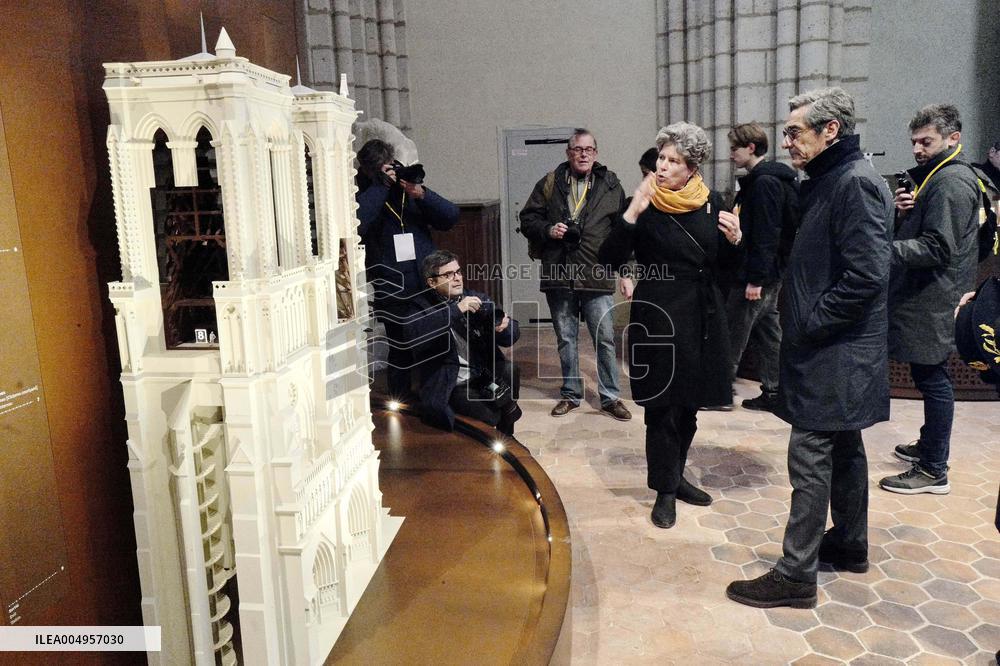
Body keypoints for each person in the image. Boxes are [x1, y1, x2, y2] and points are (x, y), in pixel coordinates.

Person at [726, 87, 893, 608]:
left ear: (830, 131)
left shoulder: (854, 183)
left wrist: (811, 324)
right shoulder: (831, 178)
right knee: (844, 447)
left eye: (795, 131)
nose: (786, 140)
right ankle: (849, 542)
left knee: (811, 453)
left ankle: (796, 574)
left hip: (835, 349)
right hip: (833, 347)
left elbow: (867, 275)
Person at [599, 122, 743, 529]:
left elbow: (729, 270)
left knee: (690, 404)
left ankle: (676, 477)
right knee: (661, 408)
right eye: (660, 158)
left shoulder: (714, 203)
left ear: (692, 167)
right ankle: (664, 489)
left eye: (673, 160)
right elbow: (609, 259)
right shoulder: (642, 204)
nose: (661, 167)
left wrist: (737, 243)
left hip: (702, 313)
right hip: (657, 311)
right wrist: (631, 212)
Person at [877, 105, 981, 495]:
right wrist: (908, 213)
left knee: (933, 377)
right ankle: (928, 446)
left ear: (953, 138)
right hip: (932, 293)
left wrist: (881, 249)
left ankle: (934, 468)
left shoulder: (950, 181)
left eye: (927, 141)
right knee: (928, 374)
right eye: (915, 142)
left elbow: (937, 247)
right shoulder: (940, 177)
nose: (918, 149)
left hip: (935, 297)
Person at [519, 128, 632, 421]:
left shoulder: (611, 185)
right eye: (577, 149)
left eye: (589, 149)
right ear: (568, 153)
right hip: (559, 272)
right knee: (566, 338)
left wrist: (625, 271)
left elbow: (623, 232)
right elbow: (528, 218)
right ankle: (571, 394)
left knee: (604, 338)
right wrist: (547, 230)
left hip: (597, 273)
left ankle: (610, 397)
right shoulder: (550, 182)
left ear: (596, 153)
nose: (583, 154)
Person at [355, 139, 459, 396]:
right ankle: (400, 401)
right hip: (391, 286)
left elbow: (450, 217)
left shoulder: (408, 188)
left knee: (434, 341)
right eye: (382, 169)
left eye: (390, 166)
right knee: (400, 347)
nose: (389, 172)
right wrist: (380, 187)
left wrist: (422, 194)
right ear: (369, 170)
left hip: (426, 280)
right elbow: (357, 226)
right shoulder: (362, 191)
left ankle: (433, 397)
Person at [402, 250, 521, 435]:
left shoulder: (474, 297)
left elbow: (511, 335)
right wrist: (456, 309)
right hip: (451, 381)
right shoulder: (420, 306)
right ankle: (501, 432)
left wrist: (504, 327)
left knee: (509, 371)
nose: (457, 278)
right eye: (448, 275)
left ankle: (508, 438)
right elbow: (414, 334)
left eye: (458, 272)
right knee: (492, 415)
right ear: (432, 282)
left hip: (481, 374)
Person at [726, 122, 799, 412]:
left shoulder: (765, 182)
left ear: (751, 148)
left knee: (734, 330)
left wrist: (755, 279)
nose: (731, 154)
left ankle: (719, 390)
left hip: (759, 274)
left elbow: (767, 235)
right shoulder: (765, 179)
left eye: (734, 148)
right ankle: (775, 390)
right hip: (768, 271)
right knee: (769, 332)